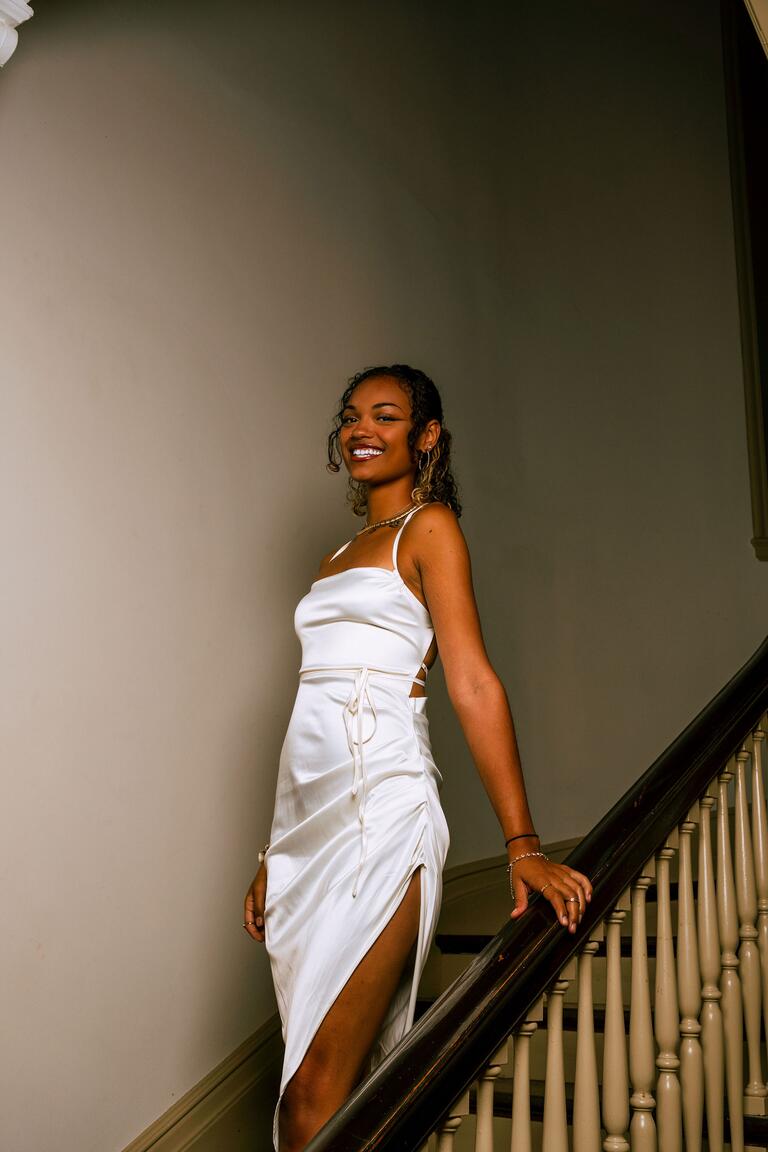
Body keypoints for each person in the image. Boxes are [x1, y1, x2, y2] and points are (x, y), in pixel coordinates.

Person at [243, 365, 592, 1152]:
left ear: (425, 436)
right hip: (307, 837)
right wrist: (274, 851)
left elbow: (469, 681)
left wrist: (523, 845)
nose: (362, 427)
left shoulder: (429, 530)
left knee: (311, 1099)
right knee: (326, 1094)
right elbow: (308, 720)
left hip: (383, 815)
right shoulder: (338, 555)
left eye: (387, 415)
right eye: (352, 415)